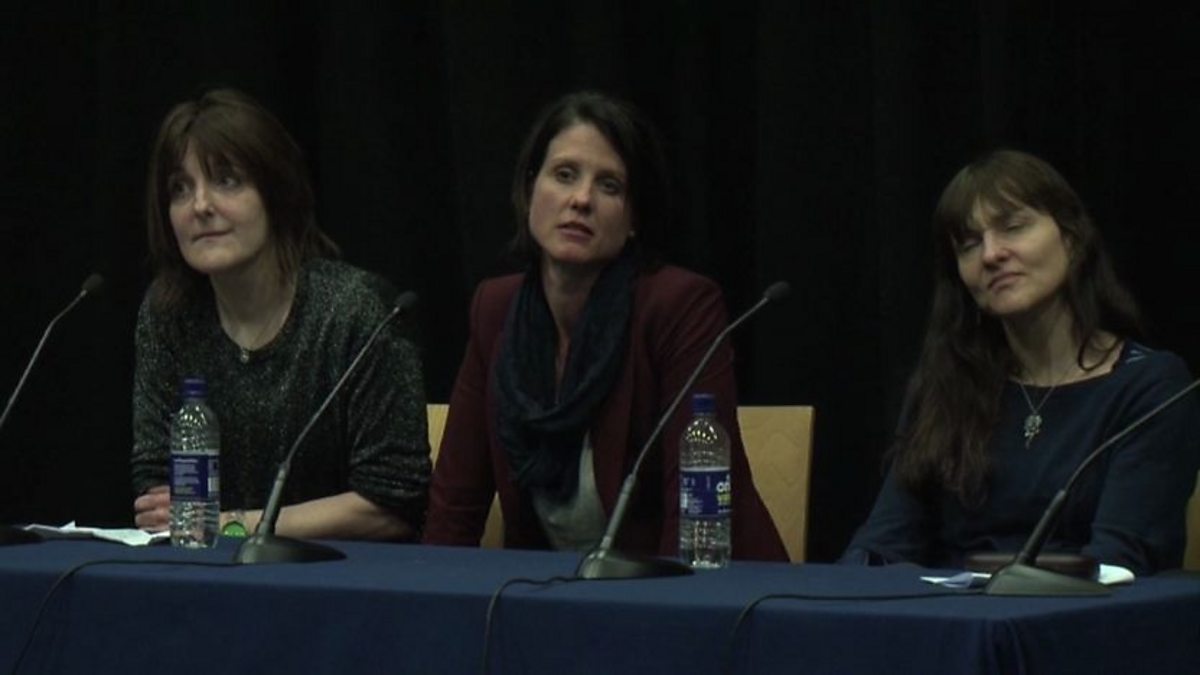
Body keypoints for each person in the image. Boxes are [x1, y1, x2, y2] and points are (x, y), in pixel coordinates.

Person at [422, 91, 786, 560]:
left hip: (692, 587)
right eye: (564, 175)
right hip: (552, 590)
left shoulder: (678, 306)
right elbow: (453, 508)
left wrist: (664, 604)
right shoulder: (495, 310)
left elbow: (694, 517)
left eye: (609, 186)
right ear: (530, 189)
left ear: (634, 218)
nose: (581, 199)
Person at [842, 149, 1200, 575]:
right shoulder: (948, 384)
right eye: (969, 245)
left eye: (1013, 227)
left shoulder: (1151, 388)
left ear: (1071, 238)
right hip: (947, 610)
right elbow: (883, 543)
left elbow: (1120, 562)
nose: (991, 254)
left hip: (1080, 611)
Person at [131, 88, 429, 541]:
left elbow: (392, 503)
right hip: (205, 571)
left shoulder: (356, 311)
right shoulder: (169, 314)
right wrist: (201, 523)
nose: (200, 206)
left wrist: (231, 524)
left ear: (276, 193)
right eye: (180, 189)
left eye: (227, 181)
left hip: (344, 573)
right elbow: (159, 496)